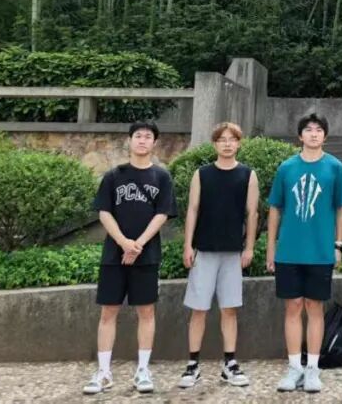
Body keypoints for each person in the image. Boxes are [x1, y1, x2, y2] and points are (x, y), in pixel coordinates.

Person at [83, 121, 177, 395]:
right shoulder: (114, 176)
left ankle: (143, 370)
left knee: (146, 311)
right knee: (108, 311)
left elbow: (162, 214)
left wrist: (138, 244)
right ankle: (103, 372)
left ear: (154, 143)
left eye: (148, 136)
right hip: (114, 255)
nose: (142, 140)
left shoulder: (162, 177)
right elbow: (104, 212)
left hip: (147, 256)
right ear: (130, 140)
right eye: (138, 136)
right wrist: (124, 242)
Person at [267, 112, 342, 394]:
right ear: (300, 135)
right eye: (308, 129)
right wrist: (271, 247)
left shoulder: (335, 167)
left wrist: (338, 244)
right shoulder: (287, 167)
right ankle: (294, 367)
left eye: (318, 130)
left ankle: (313, 368)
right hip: (289, 251)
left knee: (315, 307)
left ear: (325, 135)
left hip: (320, 251)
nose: (314, 134)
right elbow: (275, 208)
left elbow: (341, 208)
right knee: (292, 307)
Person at [178, 122, 259, 389]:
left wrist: (249, 247)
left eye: (232, 139)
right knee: (198, 309)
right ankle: (192, 365)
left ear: (239, 143)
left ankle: (230, 363)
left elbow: (252, 213)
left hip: (232, 252)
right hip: (204, 249)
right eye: (222, 139)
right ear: (214, 144)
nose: (227, 144)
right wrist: (188, 245)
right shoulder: (202, 174)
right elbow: (192, 209)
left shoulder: (248, 175)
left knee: (229, 309)